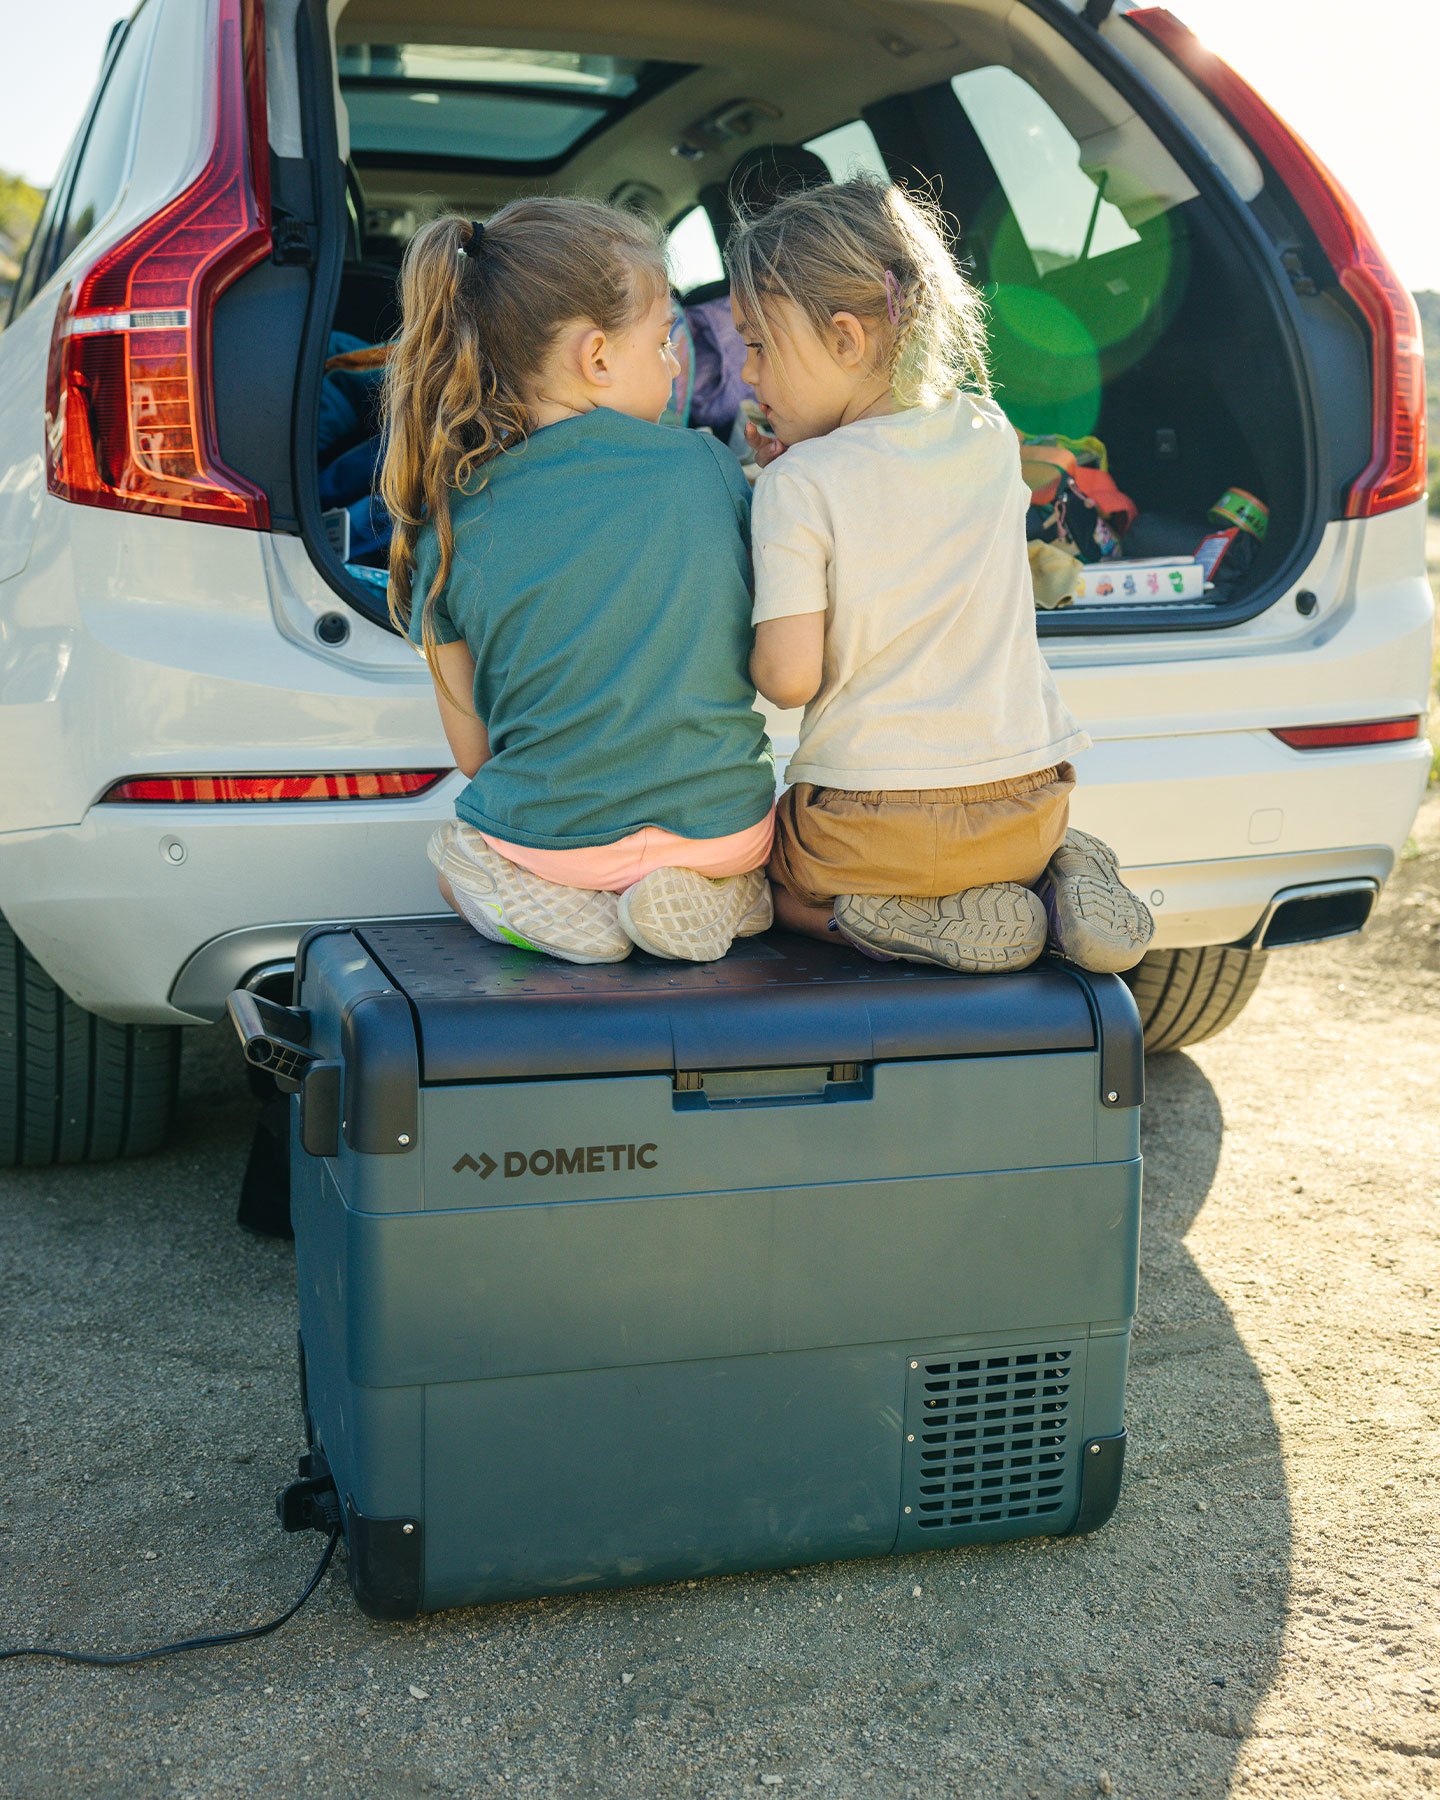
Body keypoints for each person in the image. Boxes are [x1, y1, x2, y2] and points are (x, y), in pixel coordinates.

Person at [727, 176, 1154, 973]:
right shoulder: (991, 433)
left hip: (866, 831)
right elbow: (900, 495)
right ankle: (1061, 881)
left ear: (849, 339)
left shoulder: (797, 487)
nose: (748, 375)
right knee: (1004, 848)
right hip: (1028, 809)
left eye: (757, 345)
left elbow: (787, 681)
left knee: (752, 879)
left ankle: (872, 920)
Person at [381, 200, 776, 965]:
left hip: (555, 847)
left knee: (459, 850)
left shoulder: (450, 522)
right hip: (729, 831)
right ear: (596, 357)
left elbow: (473, 755)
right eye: (664, 340)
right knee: (741, 848)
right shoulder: (707, 466)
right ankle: (727, 896)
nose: (674, 363)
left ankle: (550, 908)